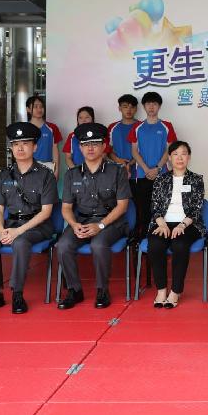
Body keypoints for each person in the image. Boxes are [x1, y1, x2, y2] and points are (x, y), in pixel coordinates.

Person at [0, 122, 58, 315]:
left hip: (38, 225)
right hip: (10, 224)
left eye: (25, 143)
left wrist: (18, 231)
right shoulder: (3, 175)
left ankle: (17, 293)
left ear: (35, 147)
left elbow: (46, 212)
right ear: (11, 147)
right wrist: (1, 230)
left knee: (20, 242)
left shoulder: (46, 175)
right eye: (16, 143)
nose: (20, 147)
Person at [56, 123, 130, 310]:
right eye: (86, 144)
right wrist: (73, 225)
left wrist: (101, 226)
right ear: (80, 148)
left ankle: (102, 290)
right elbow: (66, 207)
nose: (90, 148)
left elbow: (122, 206)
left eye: (95, 143)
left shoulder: (117, 171)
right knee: (63, 245)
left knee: (98, 244)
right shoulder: (72, 174)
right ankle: (74, 290)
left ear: (104, 146)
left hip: (111, 222)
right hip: (82, 221)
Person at [147, 141, 205, 308]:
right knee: (156, 244)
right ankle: (161, 290)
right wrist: (162, 224)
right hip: (163, 222)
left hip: (188, 224)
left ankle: (175, 291)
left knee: (180, 244)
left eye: (184, 153)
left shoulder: (196, 180)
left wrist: (181, 225)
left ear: (189, 157)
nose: (180, 157)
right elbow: (155, 206)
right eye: (175, 154)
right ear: (170, 158)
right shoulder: (161, 179)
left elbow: (196, 209)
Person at [129, 91, 177, 242]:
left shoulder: (166, 126)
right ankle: (144, 239)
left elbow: (169, 150)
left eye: (154, 104)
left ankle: (162, 239)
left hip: (162, 174)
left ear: (159, 106)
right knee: (143, 209)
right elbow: (134, 150)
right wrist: (145, 168)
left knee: (163, 209)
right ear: (143, 106)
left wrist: (157, 168)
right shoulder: (137, 127)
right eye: (148, 103)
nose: (151, 107)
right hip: (141, 175)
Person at [108, 94, 140, 196]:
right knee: (118, 205)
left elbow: (145, 150)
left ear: (136, 109)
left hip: (139, 173)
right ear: (119, 108)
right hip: (117, 172)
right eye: (125, 106)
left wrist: (130, 163)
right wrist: (118, 160)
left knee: (138, 205)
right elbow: (108, 150)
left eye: (132, 107)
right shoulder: (112, 127)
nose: (129, 110)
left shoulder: (141, 126)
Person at [27, 95, 62, 179]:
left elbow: (55, 149)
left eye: (41, 106)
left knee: (48, 192)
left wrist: (56, 170)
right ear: (28, 109)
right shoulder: (25, 128)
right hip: (28, 168)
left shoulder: (52, 128)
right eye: (35, 107)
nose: (39, 109)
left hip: (48, 168)